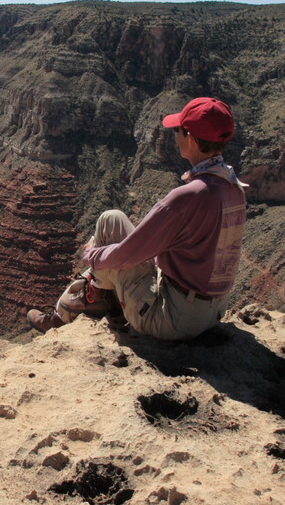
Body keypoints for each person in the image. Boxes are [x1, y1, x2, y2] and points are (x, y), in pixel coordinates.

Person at [26, 97, 247, 340]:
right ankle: (99, 298)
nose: (175, 136)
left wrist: (90, 254)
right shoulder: (233, 187)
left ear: (191, 138)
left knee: (107, 251)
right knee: (113, 219)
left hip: (172, 320)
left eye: (177, 130)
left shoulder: (188, 196)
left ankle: (64, 315)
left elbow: (126, 254)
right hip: (211, 312)